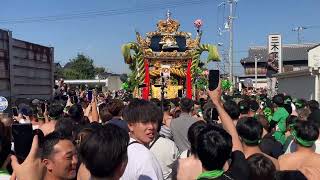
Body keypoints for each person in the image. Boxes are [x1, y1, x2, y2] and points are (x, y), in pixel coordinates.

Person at [196, 80, 249, 180]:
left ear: (198, 154)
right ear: (228, 154)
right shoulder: (239, 173)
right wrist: (217, 102)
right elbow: (234, 136)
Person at [121, 99, 163, 180]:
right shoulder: (145, 157)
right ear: (130, 125)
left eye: (154, 121)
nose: (151, 127)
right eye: (145, 122)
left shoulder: (123, 148)